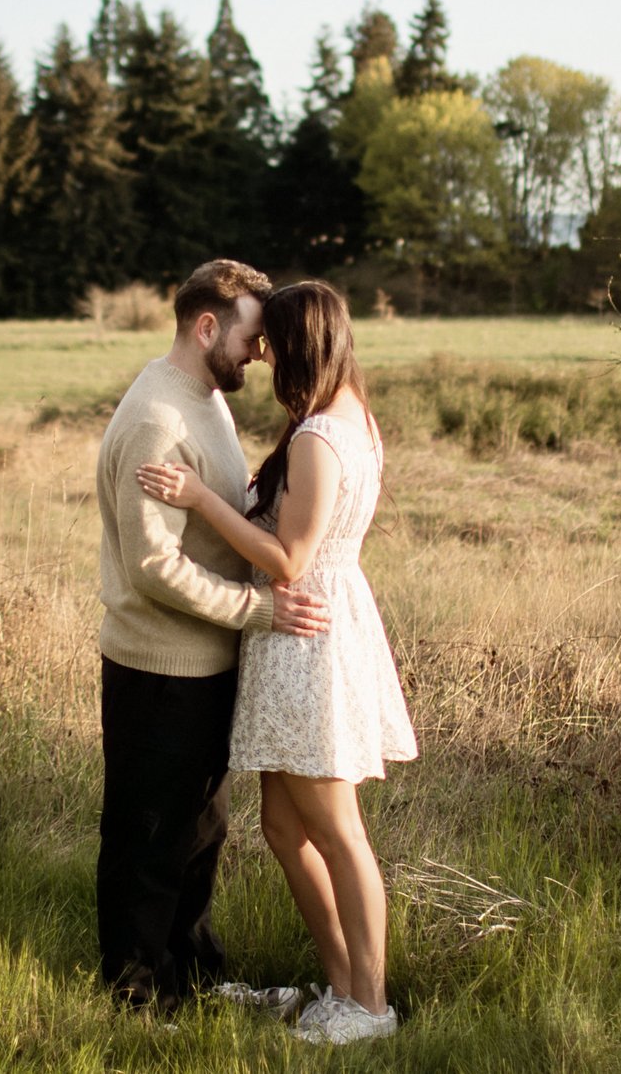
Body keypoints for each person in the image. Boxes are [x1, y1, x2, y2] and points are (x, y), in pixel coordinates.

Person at [136, 279, 416, 1046]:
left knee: (334, 826)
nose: (261, 355)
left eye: (273, 343)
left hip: (307, 637)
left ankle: (370, 1005)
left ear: (305, 342)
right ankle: (341, 986)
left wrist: (200, 497)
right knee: (286, 826)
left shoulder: (324, 435)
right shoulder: (343, 414)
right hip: (299, 637)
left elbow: (290, 558)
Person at [93, 259, 332, 1011]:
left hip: (204, 658)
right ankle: (135, 997)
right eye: (253, 336)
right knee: (150, 840)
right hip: (160, 665)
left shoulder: (203, 399)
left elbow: (216, 516)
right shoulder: (157, 419)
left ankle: (191, 979)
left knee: (198, 835)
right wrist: (259, 609)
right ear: (207, 327)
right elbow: (154, 567)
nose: (262, 353)